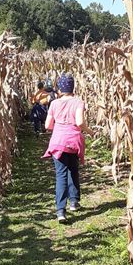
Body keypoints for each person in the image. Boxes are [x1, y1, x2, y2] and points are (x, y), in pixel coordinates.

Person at [43, 72, 94, 223]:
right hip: (73, 142)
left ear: (59, 88)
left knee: (61, 175)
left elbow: (47, 126)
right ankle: (74, 202)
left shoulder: (54, 103)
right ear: (73, 87)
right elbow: (79, 122)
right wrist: (90, 131)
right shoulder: (78, 102)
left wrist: (59, 126)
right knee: (73, 169)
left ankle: (60, 211)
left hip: (58, 142)